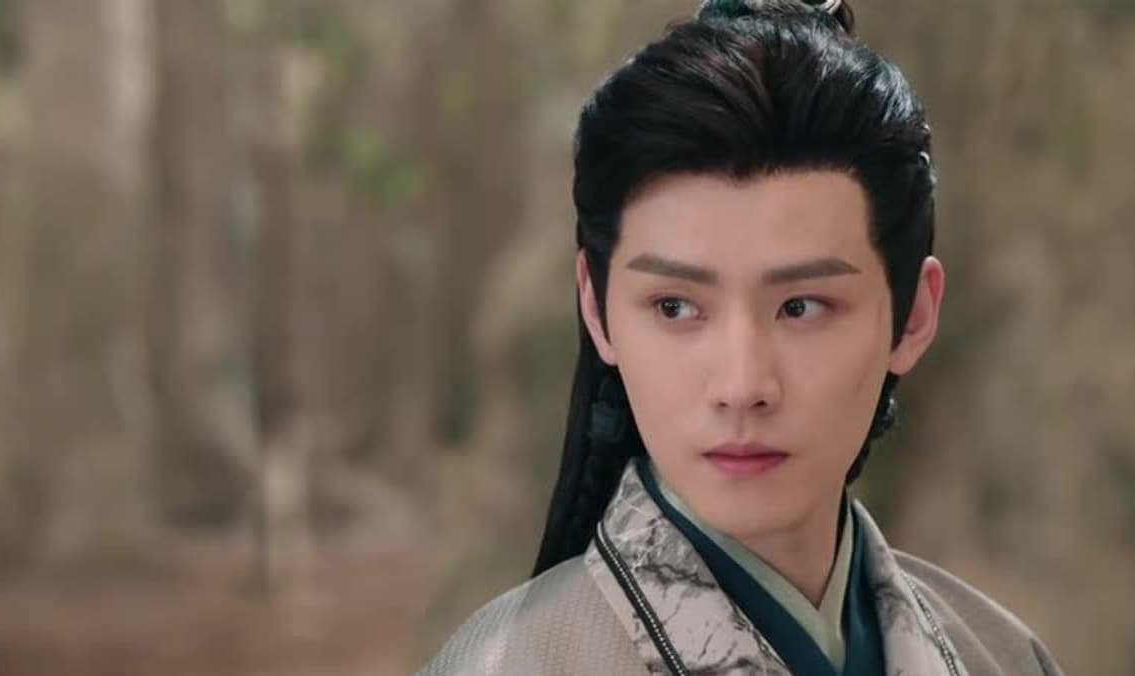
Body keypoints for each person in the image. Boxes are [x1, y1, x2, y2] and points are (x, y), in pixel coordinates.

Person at [420, 1, 1065, 674]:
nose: (742, 386)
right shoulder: (510, 663)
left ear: (913, 317)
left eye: (802, 307)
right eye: (674, 307)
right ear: (597, 308)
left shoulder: (1001, 655)